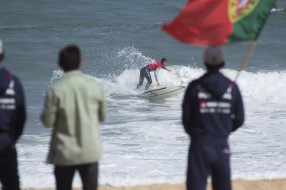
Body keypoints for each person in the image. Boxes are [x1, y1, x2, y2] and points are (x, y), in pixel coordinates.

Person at [41, 45, 107, 190]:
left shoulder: (54, 90)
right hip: (89, 151)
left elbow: (47, 121)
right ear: (81, 63)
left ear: (60, 66)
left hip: (64, 153)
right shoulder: (94, 87)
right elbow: (102, 116)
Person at [182, 47, 244, 190]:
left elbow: (186, 120)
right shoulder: (232, 87)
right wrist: (224, 130)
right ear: (222, 62)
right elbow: (239, 119)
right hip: (221, 145)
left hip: (199, 145)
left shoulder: (194, 86)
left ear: (205, 62)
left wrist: (198, 134)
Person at [0, 39, 26, 190]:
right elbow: (21, 116)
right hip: (6, 143)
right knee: (11, 185)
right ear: (3, 54)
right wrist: (12, 138)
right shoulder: (13, 82)